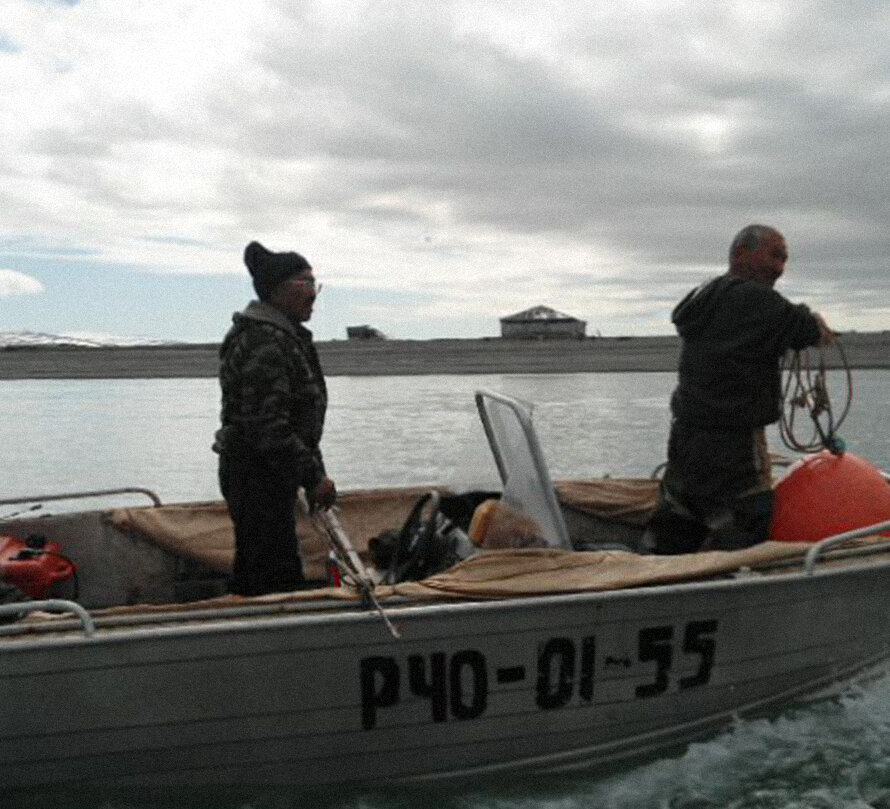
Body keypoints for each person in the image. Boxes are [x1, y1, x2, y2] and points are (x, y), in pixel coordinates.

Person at [643, 224, 835, 554]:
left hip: (686, 438)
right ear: (740, 253)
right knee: (748, 516)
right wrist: (813, 318)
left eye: (785, 259)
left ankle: (659, 575)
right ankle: (734, 590)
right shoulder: (755, 299)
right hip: (734, 442)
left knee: (681, 511)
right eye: (774, 256)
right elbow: (803, 328)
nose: (779, 268)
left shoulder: (704, 297)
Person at [213, 241, 336, 595]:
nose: (313, 294)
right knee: (269, 576)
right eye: (306, 284)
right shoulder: (263, 342)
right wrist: (313, 477)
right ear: (278, 290)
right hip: (256, 474)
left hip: (271, 472)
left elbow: (301, 421)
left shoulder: (281, 336)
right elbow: (268, 427)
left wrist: (316, 472)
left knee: (272, 565)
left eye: (316, 284)